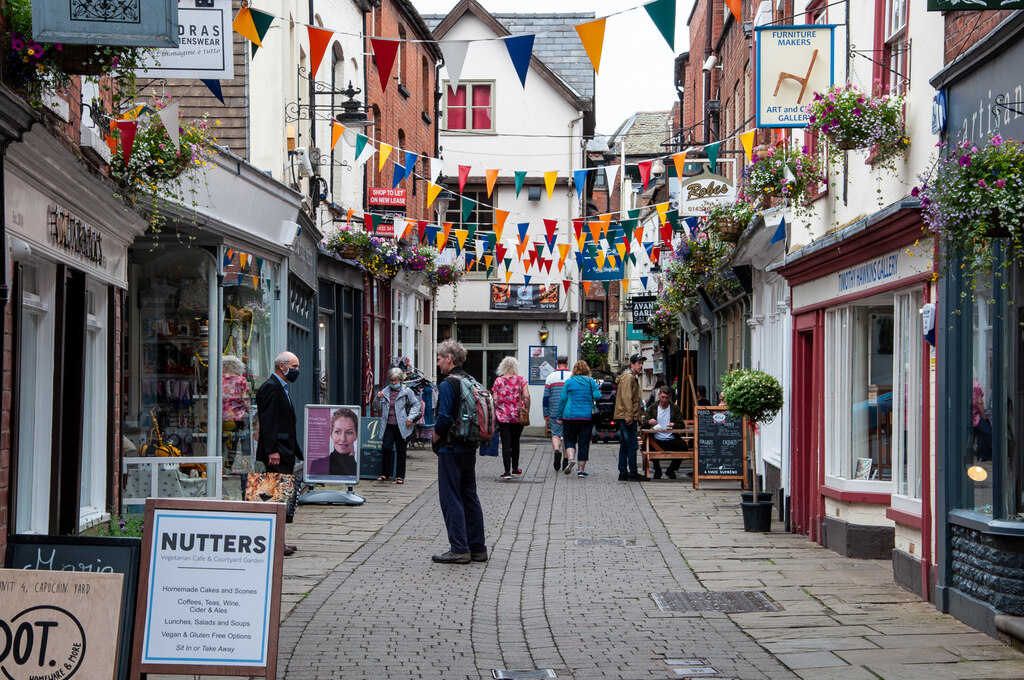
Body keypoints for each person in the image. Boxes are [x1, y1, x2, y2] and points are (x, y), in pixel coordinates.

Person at [431, 340, 487, 565]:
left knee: (450, 497)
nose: (438, 363)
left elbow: (443, 417)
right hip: (469, 447)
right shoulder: (472, 381)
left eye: (439, 358)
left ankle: (459, 548)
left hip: (450, 447)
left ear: (449, 359)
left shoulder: (448, 383)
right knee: (469, 496)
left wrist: (435, 439)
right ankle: (477, 548)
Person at [255, 350, 302, 556]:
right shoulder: (271, 388)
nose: (296, 371)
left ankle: (278, 540)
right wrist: (272, 450)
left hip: (285, 450)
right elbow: (268, 422)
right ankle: (273, 542)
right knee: (275, 498)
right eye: (294, 367)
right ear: (281, 366)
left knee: (283, 498)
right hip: (278, 452)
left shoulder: (281, 387)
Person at [374, 367, 422, 483]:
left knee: (401, 450)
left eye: (396, 380)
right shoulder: (384, 392)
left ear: (400, 380)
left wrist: (410, 418)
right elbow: (376, 407)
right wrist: (377, 398)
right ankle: (386, 474)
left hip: (402, 426)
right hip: (388, 425)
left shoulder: (407, 392)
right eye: (392, 380)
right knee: (386, 447)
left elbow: (416, 405)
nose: (394, 383)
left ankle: (400, 476)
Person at [556, 360, 601, 477]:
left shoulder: (569, 381)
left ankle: (571, 459)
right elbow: (597, 396)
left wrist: (559, 416)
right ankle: (581, 470)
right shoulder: (591, 382)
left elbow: (562, 399)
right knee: (584, 442)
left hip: (570, 416)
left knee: (569, 439)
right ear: (587, 369)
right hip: (586, 417)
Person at [492, 356, 530, 480]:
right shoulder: (521, 380)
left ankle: (507, 471)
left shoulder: (498, 381)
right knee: (516, 441)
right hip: (518, 416)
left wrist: (494, 412)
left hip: (503, 416)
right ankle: (515, 469)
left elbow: (495, 399)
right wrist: (526, 410)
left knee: (505, 443)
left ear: (502, 367)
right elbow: (526, 397)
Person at [614, 353, 647, 481]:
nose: (640, 366)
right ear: (632, 364)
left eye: (642, 364)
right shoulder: (628, 377)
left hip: (625, 415)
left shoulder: (629, 376)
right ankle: (632, 472)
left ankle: (623, 472)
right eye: (638, 363)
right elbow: (627, 397)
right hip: (627, 416)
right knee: (632, 444)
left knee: (625, 444)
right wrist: (629, 416)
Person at [645, 386, 688, 479]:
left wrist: (674, 425)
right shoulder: (652, 408)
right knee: (648, 445)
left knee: (683, 446)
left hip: (671, 438)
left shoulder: (674, 408)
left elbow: (682, 425)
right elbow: (643, 424)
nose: (664, 400)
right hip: (656, 438)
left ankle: (671, 469)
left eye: (666, 398)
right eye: (662, 397)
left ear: (670, 397)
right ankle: (657, 469)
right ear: (659, 395)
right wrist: (649, 422)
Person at [308, 408, 359, 477]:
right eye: (338, 432)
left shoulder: (360, 469)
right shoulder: (317, 465)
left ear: (356, 435)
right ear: (331, 434)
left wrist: (351, 460)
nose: (343, 439)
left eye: (349, 433)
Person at [543, 354, 571, 472]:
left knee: (555, 434)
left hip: (554, 410)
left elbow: (546, 397)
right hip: (569, 412)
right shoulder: (571, 377)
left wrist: (546, 413)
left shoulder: (550, 377)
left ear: (556, 362)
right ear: (567, 362)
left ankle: (556, 451)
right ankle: (565, 460)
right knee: (567, 436)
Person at [222, 355, 250, 469]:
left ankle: (223, 463)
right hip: (238, 416)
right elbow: (245, 399)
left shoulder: (219, 378)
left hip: (221, 416)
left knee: (221, 440)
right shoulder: (241, 380)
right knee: (239, 438)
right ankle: (241, 460)